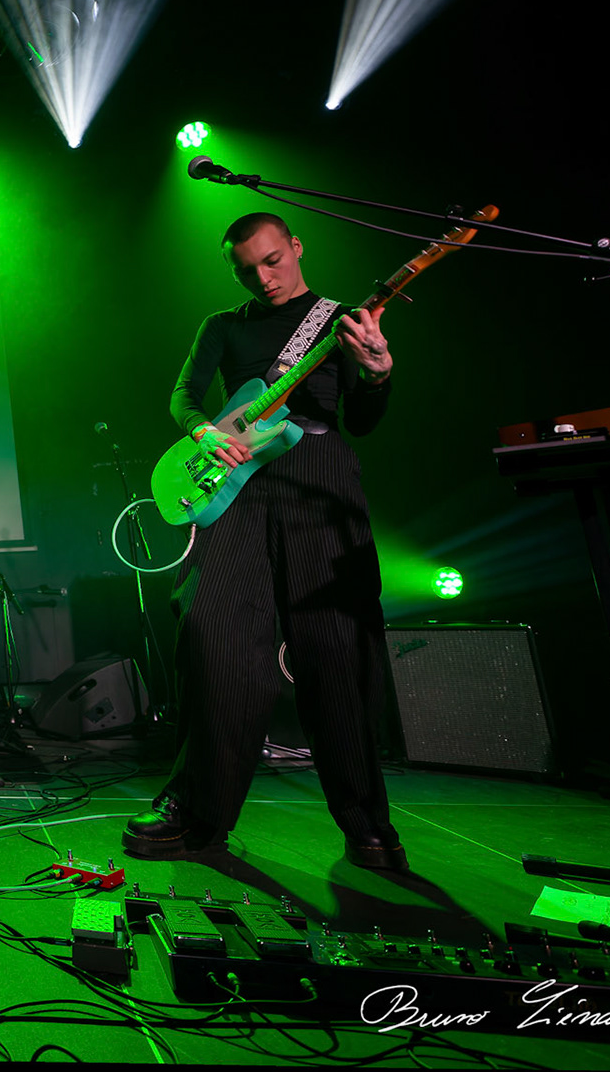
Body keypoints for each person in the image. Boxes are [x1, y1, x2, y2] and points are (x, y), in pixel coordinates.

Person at [123, 212, 407, 871]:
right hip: (241, 485)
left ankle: (368, 825)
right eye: (249, 269)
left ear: (296, 246)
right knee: (208, 632)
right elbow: (184, 395)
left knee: (338, 650)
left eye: (274, 260)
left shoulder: (341, 319)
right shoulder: (223, 326)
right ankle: (195, 812)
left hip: (320, 478)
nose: (265, 276)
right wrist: (202, 432)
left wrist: (378, 369)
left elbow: (363, 420)